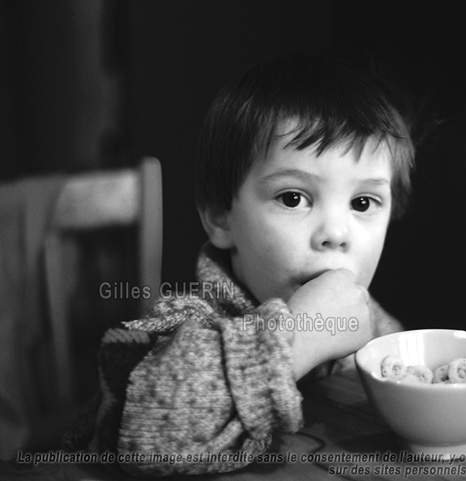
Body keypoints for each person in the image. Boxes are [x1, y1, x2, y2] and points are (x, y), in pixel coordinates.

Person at [66, 52, 416, 476]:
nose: (336, 233)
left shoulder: (372, 324)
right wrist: (299, 338)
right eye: (293, 198)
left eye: (364, 202)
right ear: (221, 216)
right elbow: (148, 441)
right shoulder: (181, 325)